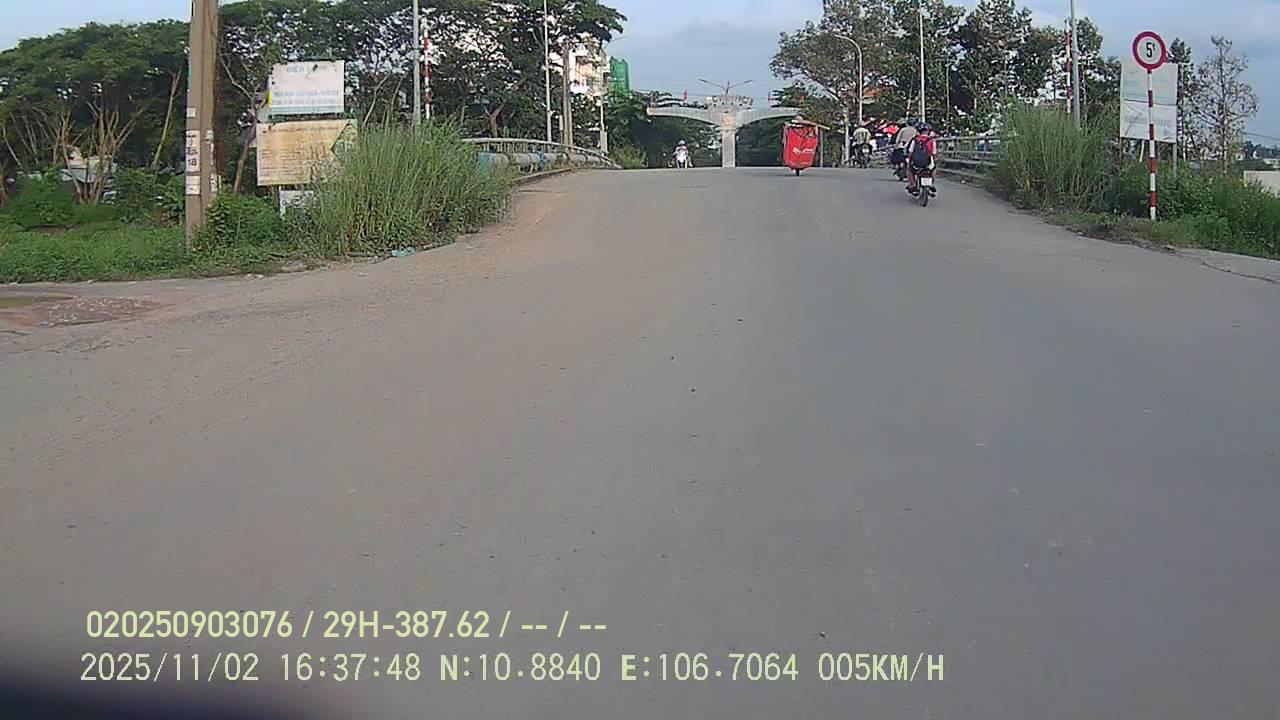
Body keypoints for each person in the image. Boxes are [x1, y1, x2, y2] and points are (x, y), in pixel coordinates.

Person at [905, 122, 938, 196]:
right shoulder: (932, 141)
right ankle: (931, 183)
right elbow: (934, 153)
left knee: (909, 170)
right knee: (933, 169)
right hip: (928, 162)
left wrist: (909, 160)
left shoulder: (915, 140)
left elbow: (910, 152)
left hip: (916, 163)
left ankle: (913, 185)